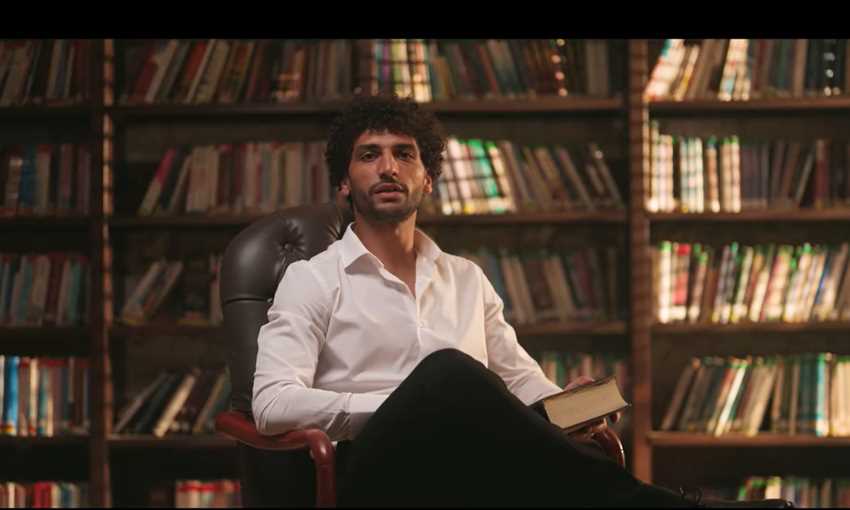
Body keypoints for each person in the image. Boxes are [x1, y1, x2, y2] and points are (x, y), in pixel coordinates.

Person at [251, 94, 791, 508]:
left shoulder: (465, 278)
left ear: (428, 179)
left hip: (470, 469)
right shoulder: (312, 280)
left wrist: (567, 405)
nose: (388, 167)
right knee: (447, 372)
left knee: (490, 403)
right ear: (345, 183)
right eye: (369, 156)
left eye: (404, 155)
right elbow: (272, 405)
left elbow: (520, 380)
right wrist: (398, 407)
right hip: (370, 473)